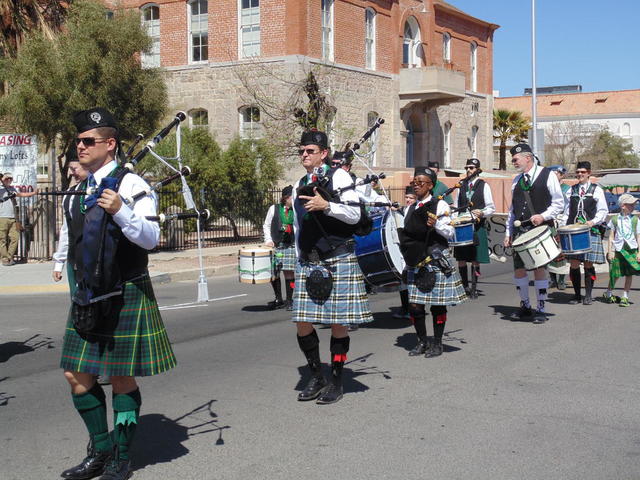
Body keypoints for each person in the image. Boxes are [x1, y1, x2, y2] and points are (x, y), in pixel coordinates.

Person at [58, 108, 176, 480]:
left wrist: (122, 211)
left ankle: (122, 457)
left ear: (109, 145)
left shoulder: (131, 185)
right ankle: (101, 449)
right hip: (88, 295)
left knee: (121, 377)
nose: (80, 146)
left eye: (87, 141)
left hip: (125, 290)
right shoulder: (78, 190)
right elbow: (73, 239)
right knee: (75, 374)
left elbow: (152, 239)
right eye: (78, 141)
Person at [291, 130, 372, 405]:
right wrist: (298, 252)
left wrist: (327, 206)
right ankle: (317, 375)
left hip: (337, 258)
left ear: (324, 152)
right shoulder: (299, 183)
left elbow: (354, 215)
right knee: (302, 321)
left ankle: (336, 381)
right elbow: (299, 224)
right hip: (308, 260)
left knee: (338, 324)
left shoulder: (339, 177)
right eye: (302, 150)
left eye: (310, 150)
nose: (304, 155)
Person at [399, 166, 467, 358]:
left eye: (421, 182)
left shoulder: (441, 206)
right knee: (414, 305)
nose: (417, 185)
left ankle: (437, 343)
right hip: (415, 260)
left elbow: (450, 233)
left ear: (431, 185)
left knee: (437, 305)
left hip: (434, 258)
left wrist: (435, 224)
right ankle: (422, 341)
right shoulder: (410, 208)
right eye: (414, 182)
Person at [504, 144, 564, 324]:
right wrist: (508, 232)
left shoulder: (548, 175)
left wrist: (543, 216)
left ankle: (541, 307)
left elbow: (559, 203)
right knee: (519, 270)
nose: (513, 162)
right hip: (520, 231)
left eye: (516, 159)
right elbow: (512, 210)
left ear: (527, 158)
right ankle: (525, 305)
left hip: (540, 230)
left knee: (539, 269)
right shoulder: (516, 180)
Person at [562, 161, 608, 305]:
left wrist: (592, 222)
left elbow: (603, 210)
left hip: (590, 230)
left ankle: (588, 295)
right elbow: (566, 211)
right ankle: (576, 295)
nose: (580, 174)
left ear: (589, 173)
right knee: (574, 263)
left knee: (588, 263)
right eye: (578, 172)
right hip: (573, 231)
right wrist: (563, 227)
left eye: (583, 172)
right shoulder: (571, 190)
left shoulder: (596, 189)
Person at [452, 158, 495, 298]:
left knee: (475, 257)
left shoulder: (484, 186)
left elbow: (491, 208)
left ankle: (474, 288)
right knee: (461, 258)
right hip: (463, 225)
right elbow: (457, 207)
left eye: (471, 167)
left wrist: (482, 212)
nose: (469, 170)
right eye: (467, 168)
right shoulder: (461, 186)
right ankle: (465, 287)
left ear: (477, 169)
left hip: (477, 225)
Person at [53, 159, 90, 289]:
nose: (71, 173)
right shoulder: (69, 193)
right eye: (70, 169)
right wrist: (59, 263)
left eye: (74, 169)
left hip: (93, 260)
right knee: (76, 302)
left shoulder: (97, 189)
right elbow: (66, 230)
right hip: (73, 257)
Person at [603, 193, 640, 306]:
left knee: (629, 273)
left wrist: (639, 252)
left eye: (634, 204)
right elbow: (611, 236)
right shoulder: (615, 219)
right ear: (623, 205)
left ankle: (625, 296)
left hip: (631, 249)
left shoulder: (635, 220)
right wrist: (610, 251)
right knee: (616, 273)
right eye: (631, 204)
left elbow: (638, 236)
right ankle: (608, 293)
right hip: (618, 249)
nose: (633, 206)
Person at [263, 185, 296, 310]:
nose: (295, 200)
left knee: (289, 273)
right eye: (293, 197)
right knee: (274, 273)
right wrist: (268, 240)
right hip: (276, 245)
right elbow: (266, 225)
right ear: (286, 198)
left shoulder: (296, 210)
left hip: (290, 245)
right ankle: (278, 299)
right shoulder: (274, 209)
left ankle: (289, 300)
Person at [0, 171, 37, 266]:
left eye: (10, 179)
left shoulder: (12, 189)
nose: (8, 180)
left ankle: (8, 257)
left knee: (15, 238)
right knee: (2, 239)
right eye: (6, 178)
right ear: (3, 179)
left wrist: (33, 193)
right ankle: (5, 258)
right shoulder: (0, 189)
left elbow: (21, 195)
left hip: (14, 217)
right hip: (2, 217)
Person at [392, 185, 417, 319]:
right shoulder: (404, 209)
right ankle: (405, 307)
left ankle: (412, 308)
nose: (408, 200)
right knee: (403, 278)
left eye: (411, 198)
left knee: (410, 279)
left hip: (412, 248)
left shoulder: (416, 210)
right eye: (407, 197)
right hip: (404, 247)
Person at [547, 165, 570, 290]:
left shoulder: (567, 189)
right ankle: (552, 279)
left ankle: (561, 279)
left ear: (562, 175)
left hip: (562, 222)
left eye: (556, 173)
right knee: (550, 251)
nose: (554, 176)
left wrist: (564, 220)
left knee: (561, 252)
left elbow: (568, 207)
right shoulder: (547, 188)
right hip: (550, 222)